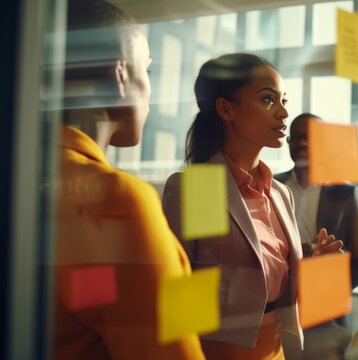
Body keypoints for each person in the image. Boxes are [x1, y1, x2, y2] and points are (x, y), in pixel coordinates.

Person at [162, 53, 344, 359]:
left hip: (274, 350)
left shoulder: (279, 192)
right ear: (226, 109)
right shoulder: (199, 188)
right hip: (219, 352)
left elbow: (265, 282)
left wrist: (306, 268)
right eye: (268, 99)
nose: (284, 112)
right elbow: (179, 291)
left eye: (284, 99)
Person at [54, 0, 204, 358]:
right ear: (121, 75)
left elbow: (87, 296)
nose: (150, 90)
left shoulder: (36, 175)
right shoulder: (117, 199)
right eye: (147, 70)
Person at [275, 113, 358, 360]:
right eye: (296, 137)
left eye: (311, 137)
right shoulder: (271, 187)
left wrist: (322, 284)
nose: (302, 143)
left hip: (327, 323)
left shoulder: (345, 193)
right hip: (278, 317)